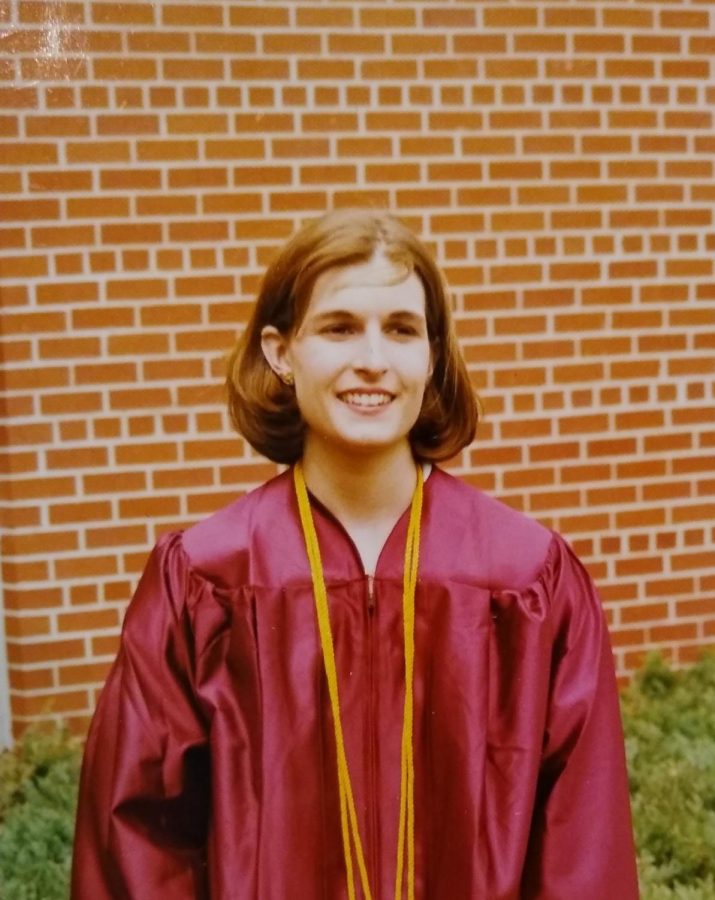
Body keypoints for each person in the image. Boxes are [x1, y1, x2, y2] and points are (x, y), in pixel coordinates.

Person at [72, 209, 639, 899]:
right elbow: (138, 845)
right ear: (282, 352)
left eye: (401, 330)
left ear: (431, 356)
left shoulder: (527, 578)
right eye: (338, 327)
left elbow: (582, 848)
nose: (371, 358)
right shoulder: (208, 578)